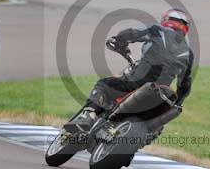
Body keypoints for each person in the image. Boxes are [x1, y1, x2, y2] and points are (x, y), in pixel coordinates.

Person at [64, 8, 194, 134]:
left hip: (136, 84)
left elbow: (132, 33)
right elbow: (184, 85)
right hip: (159, 97)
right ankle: (145, 136)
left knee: (104, 84)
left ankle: (88, 116)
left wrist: (119, 40)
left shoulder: (158, 30)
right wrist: (178, 102)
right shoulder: (189, 53)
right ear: (185, 27)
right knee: (158, 124)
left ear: (167, 19)